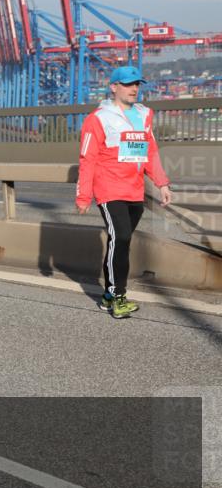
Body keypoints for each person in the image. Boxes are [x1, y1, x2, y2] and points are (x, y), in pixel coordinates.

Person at [76, 66, 172, 319]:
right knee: (120, 237)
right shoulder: (98, 118)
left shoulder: (144, 114)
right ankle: (118, 296)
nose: (134, 89)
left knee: (121, 241)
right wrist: (84, 196)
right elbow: (87, 159)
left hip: (135, 189)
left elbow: (150, 151)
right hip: (109, 189)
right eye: (128, 84)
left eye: (137, 84)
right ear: (114, 87)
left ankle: (108, 294)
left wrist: (162, 183)